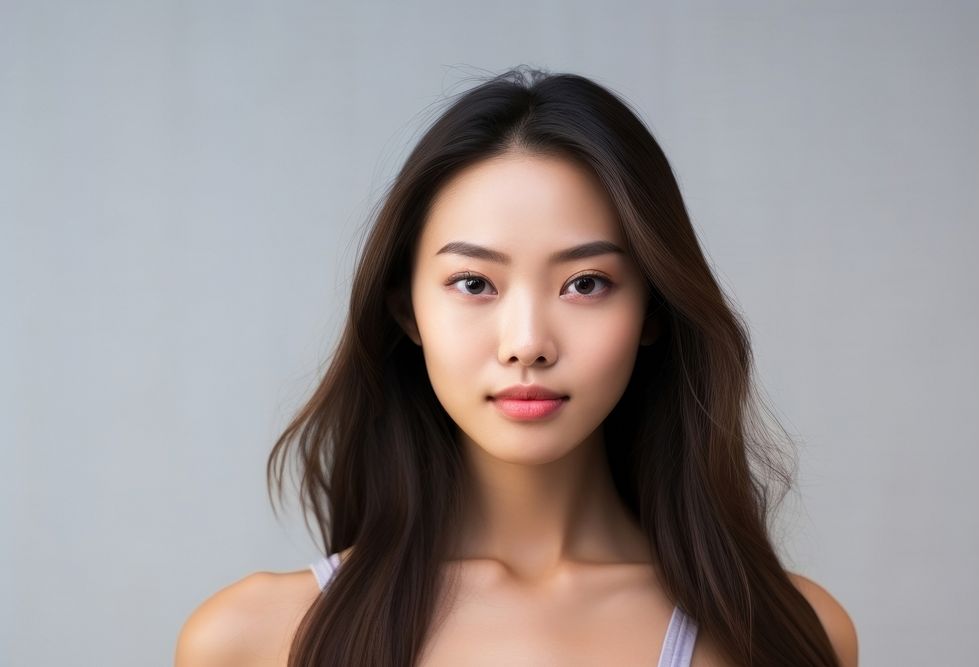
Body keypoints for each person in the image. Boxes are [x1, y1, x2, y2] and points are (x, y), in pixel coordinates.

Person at [175, 66, 858, 666]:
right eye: (474, 283)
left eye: (585, 283)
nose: (526, 342)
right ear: (406, 312)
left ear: (653, 311)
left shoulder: (784, 635)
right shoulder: (254, 640)